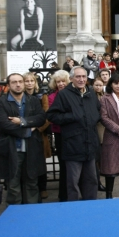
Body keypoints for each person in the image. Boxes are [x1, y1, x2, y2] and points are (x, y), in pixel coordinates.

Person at [47, 67, 101, 201]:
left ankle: (90, 207)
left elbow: (97, 112)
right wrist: (72, 116)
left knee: (91, 180)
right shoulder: (64, 94)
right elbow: (52, 115)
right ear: (71, 79)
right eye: (78, 77)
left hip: (90, 145)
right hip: (73, 145)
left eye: (84, 76)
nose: (81, 79)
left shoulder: (91, 93)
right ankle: (73, 210)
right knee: (73, 183)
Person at [0, 73, 46, 204]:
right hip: (12, 147)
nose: (18, 85)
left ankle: (32, 212)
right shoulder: (1, 102)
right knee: (13, 183)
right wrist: (28, 130)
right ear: (8, 85)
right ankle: (15, 213)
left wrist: (22, 121)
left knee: (32, 181)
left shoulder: (32, 100)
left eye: (20, 82)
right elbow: (3, 124)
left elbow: (40, 118)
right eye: (14, 82)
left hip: (31, 147)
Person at [23, 72, 52, 200]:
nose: (29, 83)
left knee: (40, 161)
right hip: (23, 132)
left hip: (39, 132)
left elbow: (46, 114)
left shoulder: (41, 96)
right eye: (26, 81)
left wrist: (37, 128)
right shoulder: (20, 96)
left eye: (31, 81)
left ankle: (42, 187)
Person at [47, 70, 70, 201]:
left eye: (63, 81)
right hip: (60, 133)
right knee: (63, 164)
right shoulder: (52, 97)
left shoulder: (74, 94)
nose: (61, 84)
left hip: (74, 134)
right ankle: (63, 194)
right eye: (58, 82)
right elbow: (54, 116)